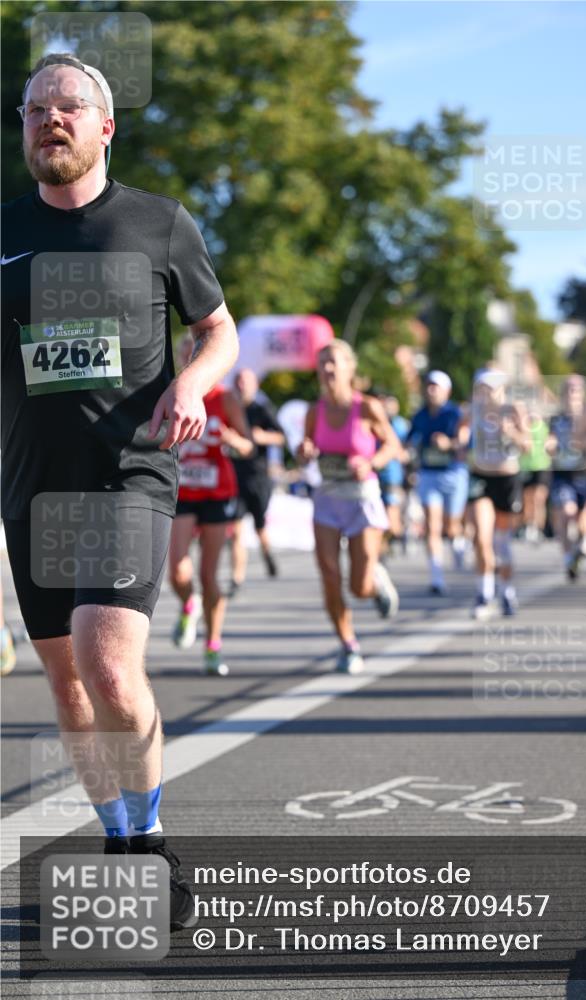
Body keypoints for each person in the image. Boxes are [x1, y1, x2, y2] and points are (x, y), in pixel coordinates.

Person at [1, 55, 238, 928]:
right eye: (35, 109)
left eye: (69, 107)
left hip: (128, 471)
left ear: (107, 127)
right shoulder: (5, 232)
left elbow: (217, 331)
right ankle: (118, 835)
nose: (50, 120)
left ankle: (152, 840)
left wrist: (191, 384)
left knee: (108, 661)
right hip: (30, 488)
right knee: (67, 688)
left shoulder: (157, 224)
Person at [298, 340, 400, 673]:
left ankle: (377, 581)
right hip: (327, 498)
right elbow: (306, 449)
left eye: (333, 363)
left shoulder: (368, 407)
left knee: (359, 586)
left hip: (361, 501)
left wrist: (370, 461)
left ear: (349, 368)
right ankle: (348, 644)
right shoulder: (315, 411)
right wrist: (305, 450)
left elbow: (392, 446)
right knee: (329, 574)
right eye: (322, 363)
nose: (327, 369)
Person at [169, 336, 253, 674]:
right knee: (178, 570)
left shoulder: (225, 398)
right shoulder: (169, 392)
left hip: (218, 492)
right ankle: (189, 605)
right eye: (184, 354)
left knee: (209, 573)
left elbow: (248, 446)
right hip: (183, 491)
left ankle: (212, 646)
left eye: (196, 353)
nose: (190, 360)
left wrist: (234, 440)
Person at [463, 368, 530, 618]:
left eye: (490, 388)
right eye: (482, 388)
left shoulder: (514, 410)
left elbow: (527, 445)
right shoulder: (473, 409)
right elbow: (460, 431)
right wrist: (459, 442)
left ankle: (507, 591)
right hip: (480, 477)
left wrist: (510, 431)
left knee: (501, 543)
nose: (485, 393)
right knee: (481, 536)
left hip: (507, 478)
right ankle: (484, 593)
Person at [408, 371, 469, 594]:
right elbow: (410, 440)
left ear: (447, 390)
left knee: (451, 526)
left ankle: (457, 539)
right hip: (429, 473)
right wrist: (409, 452)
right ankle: (436, 576)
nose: (431, 390)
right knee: (432, 525)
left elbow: (464, 443)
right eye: (429, 386)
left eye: (437, 387)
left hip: (453, 472)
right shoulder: (420, 415)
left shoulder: (456, 414)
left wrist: (449, 444)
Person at [229, 368, 285, 592]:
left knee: (260, 526)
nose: (242, 386)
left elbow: (281, 437)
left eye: (246, 382)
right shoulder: (230, 408)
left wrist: (263, 436)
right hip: (235, 475)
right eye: (239, 382)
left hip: (257, 476)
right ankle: (237, 578)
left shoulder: (261, 409)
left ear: (255, 386)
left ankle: (266, 552)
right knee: (236, 529)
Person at [547, 375, 586, 581]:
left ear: (582, 394)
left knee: (584, 523)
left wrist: (583, 443)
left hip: (584, 474)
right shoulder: (556, 419)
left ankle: (581, 547)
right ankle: (568, 556)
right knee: (567, 513)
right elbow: (550, 441)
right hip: (563, 474)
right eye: (568, 390)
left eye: (575, 391)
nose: (571, 395)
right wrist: (550, 446)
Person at [376, 394, 410, 554]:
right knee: (377, 518)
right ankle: (379, 550)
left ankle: (393, 537)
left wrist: (400, 453)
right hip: (374, 478)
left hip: (393, 478)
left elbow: (407, 449)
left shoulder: (400, 425)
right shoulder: (373, 424)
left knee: (392, 522)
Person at [519, 402, 551, 545]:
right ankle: (529, 526)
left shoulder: (545, 426)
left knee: (539, 498)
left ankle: (539, 527)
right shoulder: (523, 427)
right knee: (527, 499)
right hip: (526, 466)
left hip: (542, 465)